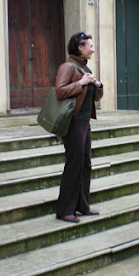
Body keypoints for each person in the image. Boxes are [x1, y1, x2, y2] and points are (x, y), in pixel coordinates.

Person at [55, 32, 103, 223]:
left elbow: (95, 97)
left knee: (85, 165)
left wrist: (97, 84)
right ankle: (65, 210)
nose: (92, 48)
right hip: (73, 123)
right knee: (74, 165)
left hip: (84, 123)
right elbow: (60, 91)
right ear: (80, 47)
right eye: (89, 45)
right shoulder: (68, 67)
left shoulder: (85, 68)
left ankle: (82, 206)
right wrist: (81, 82)